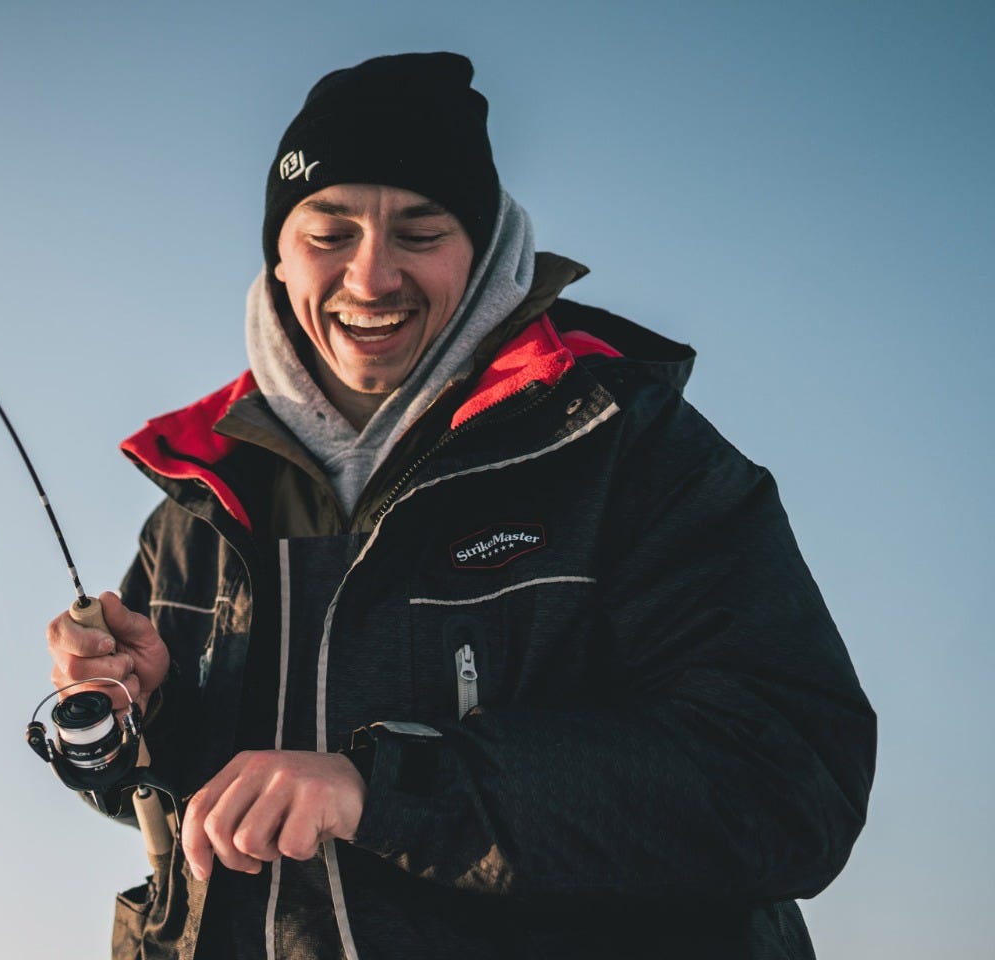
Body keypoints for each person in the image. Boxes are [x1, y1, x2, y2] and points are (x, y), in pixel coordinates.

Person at [44, 52, 874, 960]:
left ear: (483, 250)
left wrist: (388, 788)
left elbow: (786, 784)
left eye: (419, 230)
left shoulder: (626, 445)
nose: (371, 280)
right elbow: (196, 817)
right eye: (329, 233)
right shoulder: (197, 510)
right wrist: (140, 719)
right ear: (278, 255)